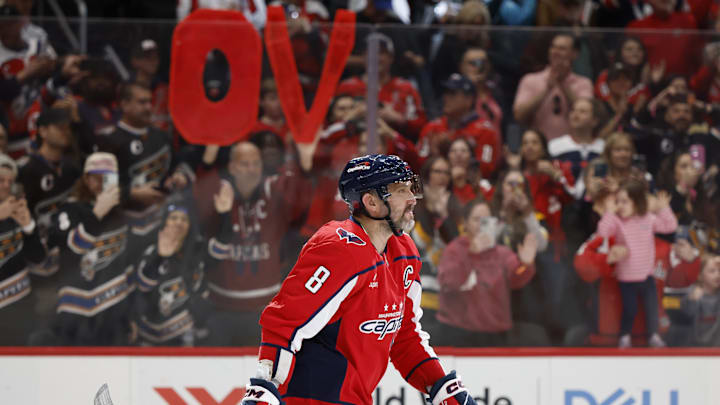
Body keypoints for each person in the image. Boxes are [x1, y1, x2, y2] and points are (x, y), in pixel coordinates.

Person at [240, 153, 478, 405]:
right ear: (371, 202)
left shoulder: (404, 252)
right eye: (400, 190)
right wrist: (265, 385)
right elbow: (284, 321)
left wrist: (441, 386)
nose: (412, 199)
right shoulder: (339, 247)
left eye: (410, 189)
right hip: (308, 397)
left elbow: (404, 336)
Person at [202, 142, 312, 346]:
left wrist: (305, 166)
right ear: (232, 167)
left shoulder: (273, 191)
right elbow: (201, 193)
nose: (251, 169)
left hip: (264, 308)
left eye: (255, 164)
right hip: (222, 309)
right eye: (244, 164)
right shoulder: (220, 192)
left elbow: (299, 202)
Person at [46, 152, 134, 345]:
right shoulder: (69, 210)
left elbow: (124, 263)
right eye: (97, 178)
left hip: (113, 308)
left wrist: (129, 317)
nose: (103, 184)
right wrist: (97, 213)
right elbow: (72, 249)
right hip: (76, 310)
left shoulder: (120, 214)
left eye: (108, 178)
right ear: (86, 179)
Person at [436, 198, 539, 347]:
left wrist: (526, 264)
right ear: (464, 223)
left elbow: (517, 277)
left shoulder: (502, 253)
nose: (481, 225)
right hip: (459, 333)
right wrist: (471, 254)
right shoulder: (454, 250)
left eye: (486, 220)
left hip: (495, 335)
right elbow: (449, 282)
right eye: (476, 219)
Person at [596, 178, 678, 347]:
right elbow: (602, 232)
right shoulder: (618, 222)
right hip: (626, 278)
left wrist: (664, 208)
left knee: (651, 308)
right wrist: (610, 212)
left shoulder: (648, 219)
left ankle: (654, 335)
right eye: (617, 201)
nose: (620, 205)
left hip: (647, 276)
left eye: (624, 201)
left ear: (638, 201)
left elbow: (670, 227)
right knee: (630, 309)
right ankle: (624, 336)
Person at [132, 204, 207, 346]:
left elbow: (200, 294)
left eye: (184, 219)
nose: (179, 222)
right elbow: (142, 286)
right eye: (174, 218)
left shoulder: (195, 255)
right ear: (164, 222)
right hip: (149, 335)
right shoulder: (150, 251)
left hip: (184, 333)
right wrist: (159, 257)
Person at [513, 33, 593, 140]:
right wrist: (547, 89)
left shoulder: (584, 83)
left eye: (562, 48)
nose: (555, 52)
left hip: (572, 148)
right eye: (553, 47)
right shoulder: (530, 80)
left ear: (575, 54)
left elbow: (587, 117)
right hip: (541, 149)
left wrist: (563, 84)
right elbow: (519, 116)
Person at [0, 152, 45, 345]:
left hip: (21, 310)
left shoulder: (16, 212)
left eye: (10, 182)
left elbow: (38, 259)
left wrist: (29, 227)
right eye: (0, 180)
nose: (6, 186)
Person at [418, 73, 499, 179]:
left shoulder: (485, 131)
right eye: (445, 93)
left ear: (469, 99)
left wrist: (453, 151)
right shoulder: (432, 128)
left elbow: (486, 169)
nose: (446, 97)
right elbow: (418, 163)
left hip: (469, 189)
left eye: (452, 93)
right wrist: (435, 155)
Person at [681, 255, 720, 346]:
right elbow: (687, 316)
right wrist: (692, 300)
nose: (717, 275)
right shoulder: (692, 295)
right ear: (700, 276)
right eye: (712, 271)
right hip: (695, 352)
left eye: (719, 270)